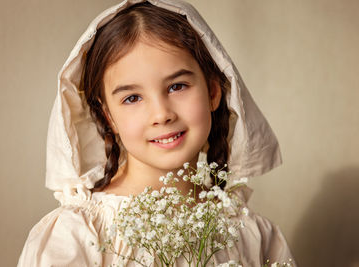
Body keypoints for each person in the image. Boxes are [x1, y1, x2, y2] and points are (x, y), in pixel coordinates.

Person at [18, 0, 296, 266]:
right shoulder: (77, 235)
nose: (162, 114)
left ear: (213, 92)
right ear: (108, 117)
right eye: (132, 98)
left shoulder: (251, 235)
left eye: (177, 86)